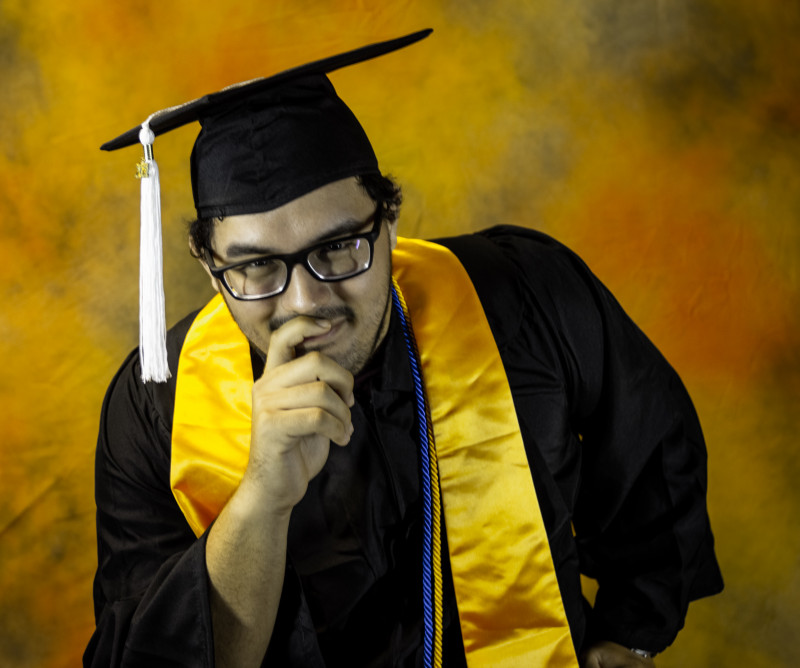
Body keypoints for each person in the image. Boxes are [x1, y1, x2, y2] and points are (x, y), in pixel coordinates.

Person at [84, 30, 723, 667]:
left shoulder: (521, 295)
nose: (305, 301)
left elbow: (650, 452)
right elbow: (149, 655)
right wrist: (261, 497)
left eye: (338, 248)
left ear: (388, 220)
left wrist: (631, 632)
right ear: (207, 261)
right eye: (255, 268)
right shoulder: (157, 408)